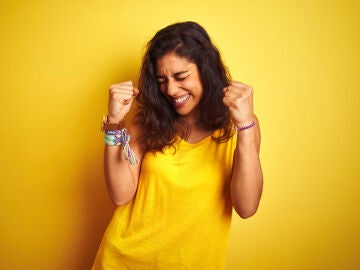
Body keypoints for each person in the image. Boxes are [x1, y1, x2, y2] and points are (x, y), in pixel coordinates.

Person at [93, 21, 263, 270]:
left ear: (206, 70)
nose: (170, 89)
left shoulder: (240, 126)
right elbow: (120, 194)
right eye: (162, 80)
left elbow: (247, 207)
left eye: (181, 76)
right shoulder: (147, 122)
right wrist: (115, 123)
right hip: (123, 262)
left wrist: (245, 125)